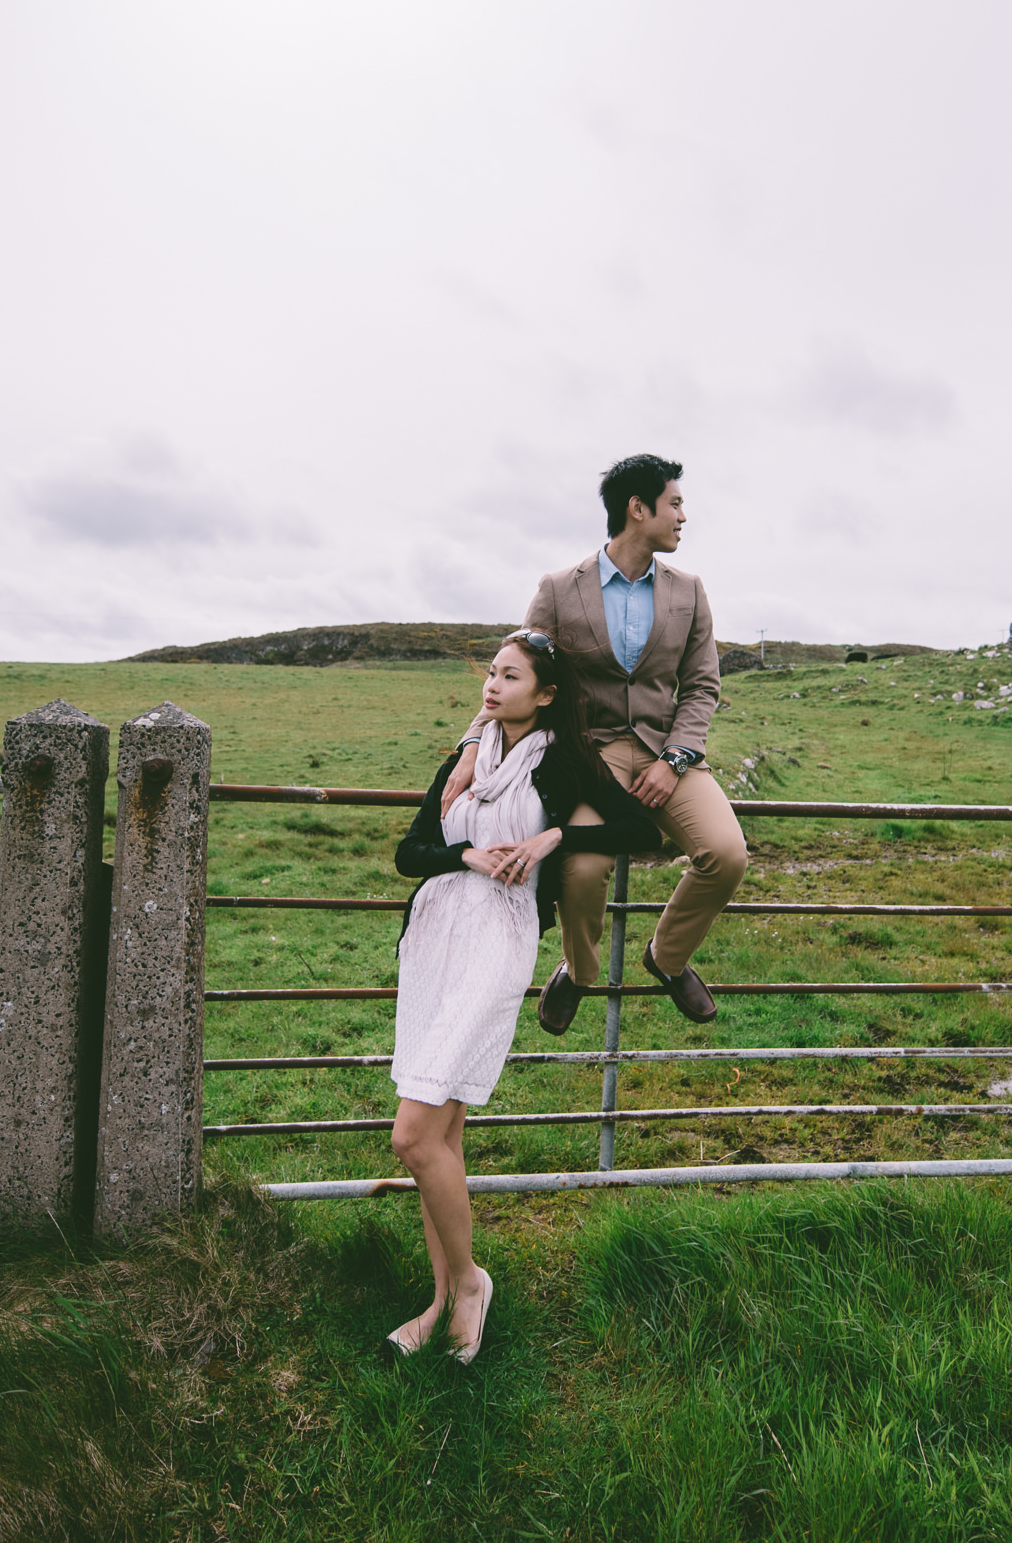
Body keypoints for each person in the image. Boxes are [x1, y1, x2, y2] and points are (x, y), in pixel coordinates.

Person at [385, 630, 658, 1363]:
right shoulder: (465, 759)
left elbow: (642, 823)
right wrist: (464, 853)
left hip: (497, 942)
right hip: (436, 940)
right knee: (440, 1138)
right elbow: (410, 852)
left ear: (545, 694)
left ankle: (471, 1282)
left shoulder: (563, 760)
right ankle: (440, 1302)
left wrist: (554, 839)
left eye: (510, 676)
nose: (492, 685)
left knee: (412, 1135)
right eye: (491, 673)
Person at [446, 453, 744, 1034]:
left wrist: (674, 758)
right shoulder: (559, 590)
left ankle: (667, 957)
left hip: (668, 755)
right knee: (580, 869)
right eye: (675, 503)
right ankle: (579, 971)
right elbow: (512, 673)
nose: (684, 515)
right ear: (638, 509)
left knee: (727, 855)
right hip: (587, 757)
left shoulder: (690, 590)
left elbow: (703, 686)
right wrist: (469, 746)